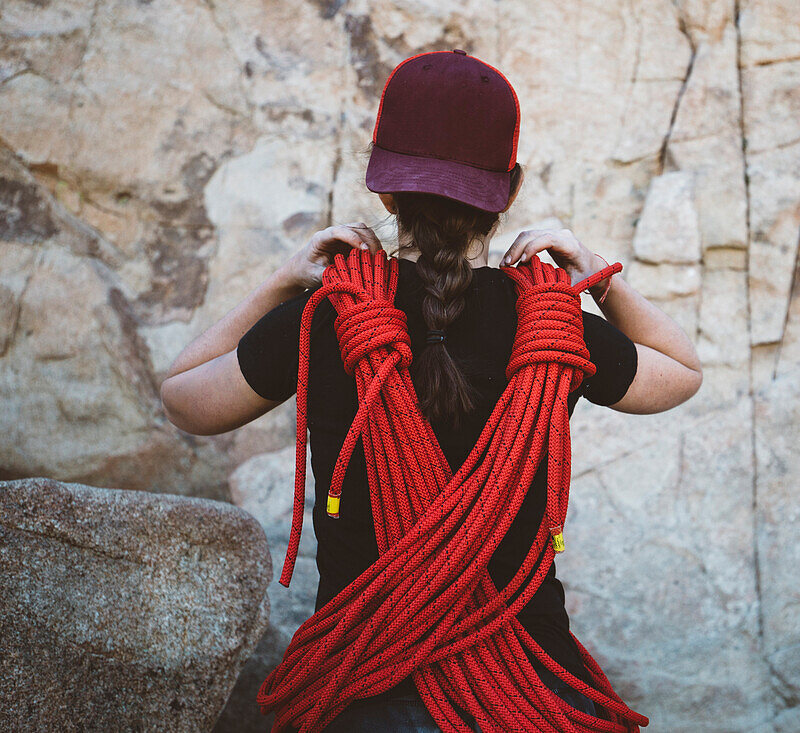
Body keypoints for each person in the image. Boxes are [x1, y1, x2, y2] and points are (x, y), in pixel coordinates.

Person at [161, 49, 701, 733]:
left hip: (361, 691)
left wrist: (283, 280)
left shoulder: (329, 317)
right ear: (508, 190)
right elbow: (681, 370)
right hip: (529, 692)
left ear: (382, 189)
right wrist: (598, 275)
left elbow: (182, 395)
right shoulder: (551, 324)